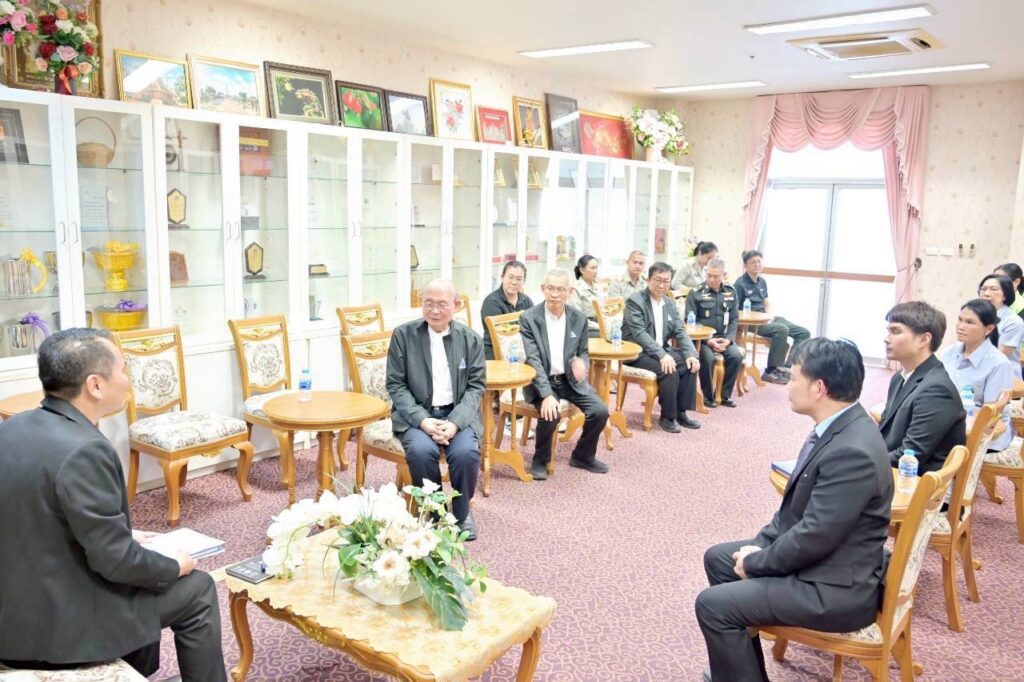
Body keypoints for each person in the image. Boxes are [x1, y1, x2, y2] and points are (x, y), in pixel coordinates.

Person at [0, 329, 225, 680]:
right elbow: (116, 563)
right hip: (59, 634)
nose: (127, 380)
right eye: (122, 370)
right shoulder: (85, 450)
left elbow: (36, 510)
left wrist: (122, 532)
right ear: (95, 385)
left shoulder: (14, 427)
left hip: (14, 614)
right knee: (197, 589)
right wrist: (173, 566)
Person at [695, 338, 893, 682]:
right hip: (826, 562)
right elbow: (791, 516)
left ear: (819, 388)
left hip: (834, 588)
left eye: (794, 377)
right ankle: (739, 671)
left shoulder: (852, 451)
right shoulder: (839, 426)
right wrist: (758, 546)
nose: (787, 385)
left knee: (713, 606)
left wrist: (756, 562)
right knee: (719, 559)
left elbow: (814, 536)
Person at [387, 279, 486, 539]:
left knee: (465, 453)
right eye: (428, 303)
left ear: (456, 305)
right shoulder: (403, 336)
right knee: (421, 452)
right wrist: (422, 420)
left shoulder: (470, 339)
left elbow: (476, 387)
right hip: (416, 415)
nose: (434, 310)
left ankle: (462, 513)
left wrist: (455, 423)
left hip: (457, 414)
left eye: (442, 304)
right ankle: (433, 511)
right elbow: (396, 385)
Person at [519, 269, 610, 478]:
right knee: (551, 412)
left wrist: (582, 364)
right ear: (543, 289)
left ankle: (582, 456)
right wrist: (546, 394)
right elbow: (533, 359)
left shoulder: (578, 318)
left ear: (569, 292)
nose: (555, 294)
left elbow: (583, 351)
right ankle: (540, 459)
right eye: (550, 288)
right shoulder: (529, 318)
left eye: (560, 289)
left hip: (570, 381)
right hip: (542, 381)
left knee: (600, 411)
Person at [880, 301, 966, 475]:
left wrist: (861, 462)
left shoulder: (936, 390)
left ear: (924, 339)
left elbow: (910, 456)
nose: (886, 338)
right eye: (888, 331)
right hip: (893, 470)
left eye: (895, 331)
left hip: (918, 481)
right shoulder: (900, 377)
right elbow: (884, 431)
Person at [622, 261, 701, 433]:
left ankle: (681, 412)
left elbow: (680, 330)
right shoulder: (635, 302)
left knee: (690, 364)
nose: (662, 285)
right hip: (636, 352)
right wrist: (662, 355)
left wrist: (691, 353)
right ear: (648, 280)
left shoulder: (669, 303)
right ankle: (668, 416)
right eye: (657, 280)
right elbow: (640, 334)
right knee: (668, 369)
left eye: (666, 281)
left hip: (660, 350)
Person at [940, 299, 1016, 453]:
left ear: (988, 329)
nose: (961, 326)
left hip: (985, 436)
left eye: (969, 322)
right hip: (950, 424)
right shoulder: (949, 352)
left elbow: (991, 414)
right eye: (960, 319)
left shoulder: (999, 364)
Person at [734, 249, 810, 385]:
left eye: (759, 261)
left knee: (803, 332)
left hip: (765, 318)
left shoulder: (762, 281)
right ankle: (771, 371)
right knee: (781, 329)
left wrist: (769, 315)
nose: (757, 264)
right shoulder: (740, 284)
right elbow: (736, 310)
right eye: (753, 262)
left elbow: (766, 301)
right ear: (745, 266)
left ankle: (787, 368)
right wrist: (758, 319)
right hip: (750, 323)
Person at [686, 258, 743, 409]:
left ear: (724, 275)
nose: (711, 279)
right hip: (702, 340)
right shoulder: (696, 293)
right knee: (708, 358)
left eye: (716, 276)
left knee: (736, 356)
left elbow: (734, 319)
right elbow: (690, 322)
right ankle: (707, 396)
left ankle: (724, 396)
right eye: (709, 275)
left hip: (723, 337)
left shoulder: (731, 291)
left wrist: (729, 340)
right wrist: (708, 340)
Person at [480, 260, 534, 360]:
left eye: (519, 279)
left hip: (522, 350)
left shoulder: (526, 301)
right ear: (502, 277)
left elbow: (533, 329)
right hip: (495, 351)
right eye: (510, 277)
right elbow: (501, 335)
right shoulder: (491, 302)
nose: (514, 282)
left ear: (524, 281)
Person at [977, 273, 1023, 374]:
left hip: (1004, 375)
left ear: (1005, 295)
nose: (986, 293)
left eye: (994, 289)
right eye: (983, 289)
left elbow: (1000, 357)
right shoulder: (976, 316)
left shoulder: (1013, 321)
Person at [570, 254, 602, 337]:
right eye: (592, 268)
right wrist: (600, 326)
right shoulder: (575, 288)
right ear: (582, 270)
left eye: (597, 268)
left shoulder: (598, 286)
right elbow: (577, 317)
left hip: (600, 324)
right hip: (585, 327)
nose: (596, 271)